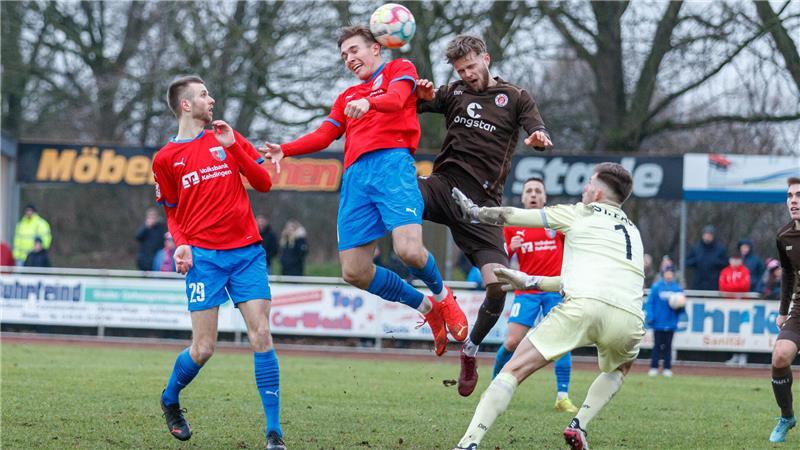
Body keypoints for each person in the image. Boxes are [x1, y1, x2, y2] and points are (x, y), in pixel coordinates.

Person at [261, 25, 467, 356]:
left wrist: (370, 104)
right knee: (354, 271)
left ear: (376, 48)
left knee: (409, 251)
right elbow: (324, 135)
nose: (349, 59)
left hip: (392, 166)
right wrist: (285, 148)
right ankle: (429, 309)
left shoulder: (401, 69)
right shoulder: (345, 98)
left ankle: (445, 298)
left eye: (354, 50)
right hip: (356, 177)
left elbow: (397, 99)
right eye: (344, 55)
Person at [451, 162, 645, 450]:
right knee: (620, 367)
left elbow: (513, 215)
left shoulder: (580, 213)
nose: (585, 188)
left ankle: (469, 442)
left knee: (513, 369)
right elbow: (583, 280)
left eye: (589, 183)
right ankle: (579, 425)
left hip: (584, 307)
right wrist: (530, 280)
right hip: (629, 319)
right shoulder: (633, 232)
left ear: (599, 194)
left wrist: (476, 212)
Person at [152, 75, 285, 449]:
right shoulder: (165, 159)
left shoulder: (226, 136)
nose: (212, 99)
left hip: (246, 252)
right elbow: (173, 213)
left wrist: (235, 148)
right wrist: (181, 245)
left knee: (261, 335)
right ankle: (169, 398)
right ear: (186, 105)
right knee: (204, 348)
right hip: (204, 260)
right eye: (204, 94)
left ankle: (273, 432)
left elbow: (263, 183)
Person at [415, 34, 552, 396]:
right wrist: (418, 92)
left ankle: (471, 350)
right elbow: (410, 102)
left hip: (484, 209)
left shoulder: (515, 97)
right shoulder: (453, 93)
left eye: (472, 67)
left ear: (486, 59)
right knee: (401, 199)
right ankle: (438, 302)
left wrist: (538, 135)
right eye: (461, 70)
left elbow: (534, 125)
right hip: (444, 188)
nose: (468, 74)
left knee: (498, 285)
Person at [492, 177, 577, 413]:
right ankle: (494, 386)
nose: (533, 194)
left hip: (553, 291)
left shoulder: (555, 222)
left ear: (545, 197)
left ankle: (562, 396)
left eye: (538, 191)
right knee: (512, 341)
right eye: (529, 190)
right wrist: (512, 248)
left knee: (561, 343)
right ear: (522, 198)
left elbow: (573, 248)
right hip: (527, 290)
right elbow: (500, 259)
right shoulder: (512, 226)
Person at [769, 177, 800, 443]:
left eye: (799, 195)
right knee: (780, 357)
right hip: (799, 312)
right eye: (790, 196)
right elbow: (788, 274)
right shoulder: (784, 235)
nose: (794, 201)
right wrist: (782, 311)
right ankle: (787, 416)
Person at [644, 264, 684, 377]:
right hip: (658, 323)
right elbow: (650, 303)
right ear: (663, 274)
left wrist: (680, 307)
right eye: (667, 272)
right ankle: (654, 367)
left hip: (670, 323)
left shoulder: (677, 288)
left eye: (671, 272)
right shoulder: (657, 287)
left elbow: (682, 306)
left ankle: (667, 368)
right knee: (657, 346)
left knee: (668, 346)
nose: (669, 274)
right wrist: (650, 316)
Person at [685, 225, 727, 290]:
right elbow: (687, 262)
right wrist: (696, 261)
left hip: (714, 284)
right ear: (703, 235)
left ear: (713, 236)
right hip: (698, 283)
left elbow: (726, 264)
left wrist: (715, 262)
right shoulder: (695, 248)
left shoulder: (720, 249)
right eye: (706, 235)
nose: (707, 237)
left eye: (710, 235)